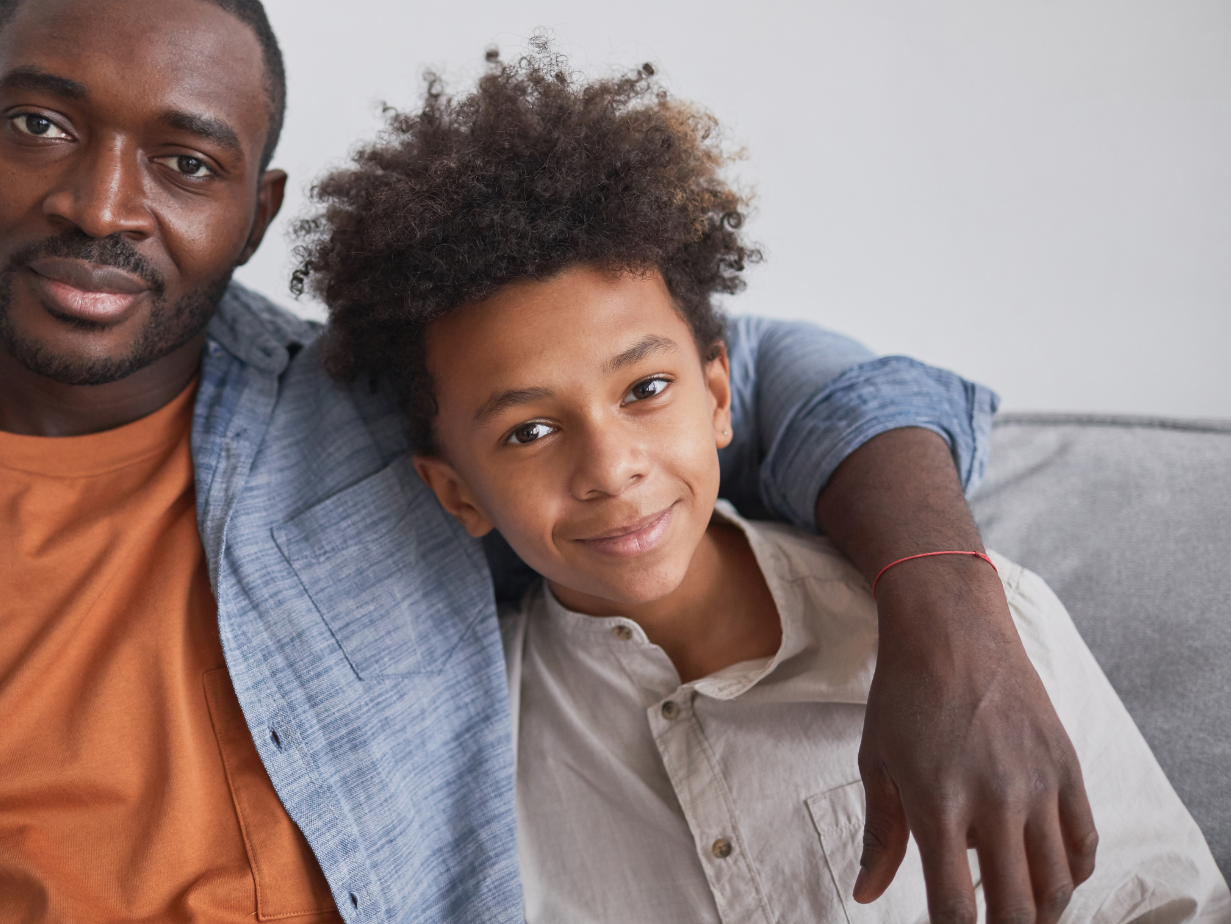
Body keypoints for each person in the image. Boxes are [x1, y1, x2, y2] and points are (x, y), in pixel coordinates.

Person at [0, 1, 1086, 921]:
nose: (99, 205)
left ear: (258, 206)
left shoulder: (402, 418)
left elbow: (782, 377)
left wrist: (955, 625)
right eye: (41, 124)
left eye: (185, 162)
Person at [293, 46, 1230, 924]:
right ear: (456, 491)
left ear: (716, 395)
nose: (611, 466)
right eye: (530, 429)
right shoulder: (467, 741)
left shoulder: (994, 628)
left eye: (646, 390)